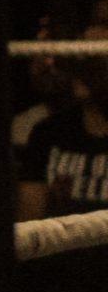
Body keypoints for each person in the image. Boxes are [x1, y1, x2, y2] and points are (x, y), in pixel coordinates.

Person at [20, 29, 108, 220]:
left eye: (95, 65)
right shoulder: (48, 131)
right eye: (81, 62)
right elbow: (30, 221)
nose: (83, 73)